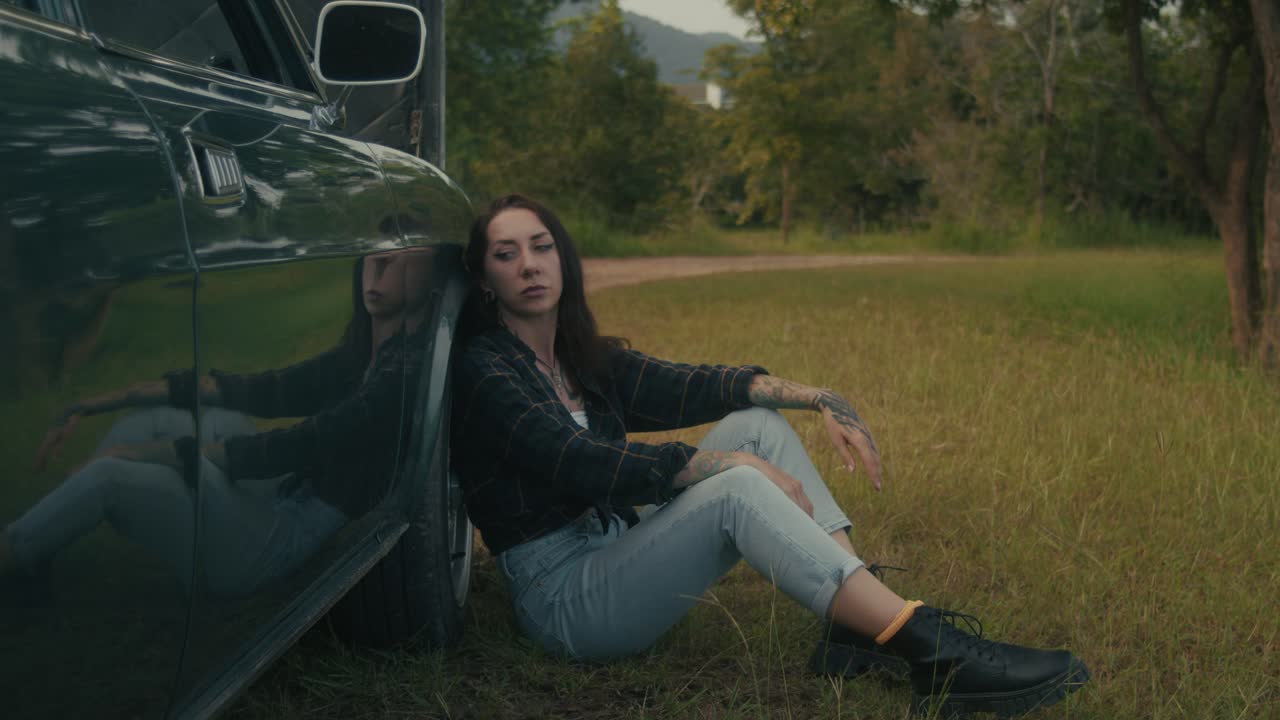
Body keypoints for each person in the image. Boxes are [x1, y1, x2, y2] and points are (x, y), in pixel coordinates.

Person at [450, 194, 1091, 718]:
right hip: (564, 598)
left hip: (617, 542)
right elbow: (578, 459)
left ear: (564, 260)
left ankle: (858, 627)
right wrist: (730, 467)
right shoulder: (487, 371)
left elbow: (694, 383)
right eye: (507, 255)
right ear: (485, 278)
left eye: (542, 247)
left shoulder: (577, 355)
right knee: (737, 484)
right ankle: (929, 650)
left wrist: (821, 399)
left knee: (756, 423)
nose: (529, 265)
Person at [0, 248, 434, 599]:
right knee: (187, 417)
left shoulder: (403, 376)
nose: (379, 262)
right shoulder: (358, 356)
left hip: (272, 542)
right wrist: (87, 405)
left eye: (402, 251)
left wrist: (134, 457)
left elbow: (292, 446)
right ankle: (47, 541)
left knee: (109, 476)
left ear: (435, 270)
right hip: (279, 495)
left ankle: (16, 552)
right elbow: (257, 389)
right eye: (377, 248)